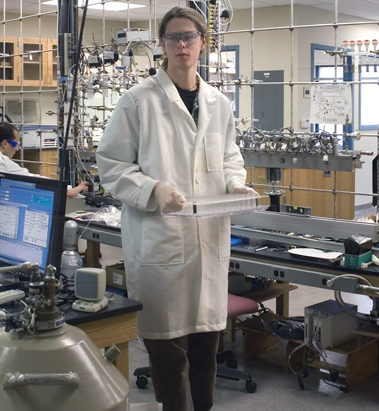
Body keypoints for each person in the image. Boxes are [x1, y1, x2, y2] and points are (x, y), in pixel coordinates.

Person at [93, 7, 251, 411]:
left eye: (189, 36)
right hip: (160, 240)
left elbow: (229, 157)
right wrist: (154, 189)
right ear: (162, 45)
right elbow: (111, 166)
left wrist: (235, 182)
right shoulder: (138, 101)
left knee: (206, 348)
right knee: (168, 353)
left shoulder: (219, 103)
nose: (182, 44)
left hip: (208, 241)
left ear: (203, 42)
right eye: (173, 37)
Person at [0, 121, 89, 230]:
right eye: (15, 144)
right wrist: (68, 190)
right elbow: (31, 179)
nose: (17, 149)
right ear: (5, 143)